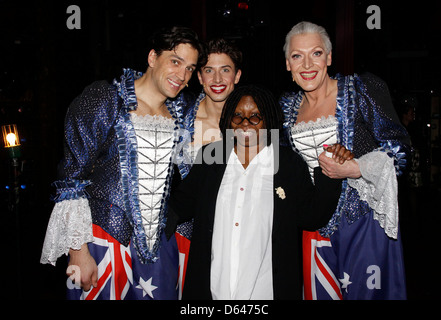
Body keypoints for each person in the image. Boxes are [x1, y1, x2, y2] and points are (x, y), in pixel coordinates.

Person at [40, 26, 206, 300]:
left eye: (189, 68)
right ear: (152, 57)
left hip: (159, 245)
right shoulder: (105, 100)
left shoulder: (183, 114)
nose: (182, 75)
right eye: (175, 62)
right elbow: (71, 180)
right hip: (103, 240)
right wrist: (78, 251)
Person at [165, 84, 350, 300]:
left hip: (267, 291)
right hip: (213, 289)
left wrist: (331, 171)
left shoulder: (287, 163)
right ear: (228, 120)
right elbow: (182, 203)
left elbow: (312, 216)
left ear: (268, 120)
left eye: (255, 116)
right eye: (238, 116)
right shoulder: (211, 156)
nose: (245, 123)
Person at [280, 21, 411, 300]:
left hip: (362, 224)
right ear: (288, 65)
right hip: (313, 228)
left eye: (316, 53)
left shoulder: (361, 89)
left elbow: (400, 150)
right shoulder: (286, 109)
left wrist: (355, 167)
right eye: (296, 56)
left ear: (329, 57)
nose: (307, 64)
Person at [173, 38, 243, 297]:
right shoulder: (179, 118)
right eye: (208, 70)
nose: (217, 78)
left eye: (225, 69)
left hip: (236, 235)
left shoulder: (253, 121)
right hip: (185, 234)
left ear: (237, 75)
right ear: (199, 77)